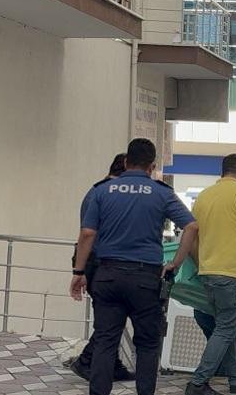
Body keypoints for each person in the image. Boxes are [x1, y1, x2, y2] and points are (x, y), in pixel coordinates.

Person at [70, 138, 199, 395]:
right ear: (152, 166)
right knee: (147, 345)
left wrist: (79, 272)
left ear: (126, 162)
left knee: (106, 342)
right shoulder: (162, 193)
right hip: (145, 279)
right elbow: (192, 226)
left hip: (107, 276)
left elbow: (87, 234)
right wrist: (174, 263)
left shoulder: (102, 191)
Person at [175, 154, 236, 395]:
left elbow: (193, 235)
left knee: (225, 326)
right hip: (233, 273)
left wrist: (201, 264)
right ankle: (198, 383)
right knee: (226, 329)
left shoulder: (204, 197)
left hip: (208, 273)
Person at [68, 153, 135, 382]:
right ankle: (86, 360)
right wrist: (82, 271)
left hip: (95, 263)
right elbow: (89, 234)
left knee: (111, 316)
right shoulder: (104, 193)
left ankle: (111, 363)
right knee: (111, 319)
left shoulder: (97, 192)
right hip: (99, 263)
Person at [192, 309, 236, 375]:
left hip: (201, 311)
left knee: (220, 345)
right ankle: (201, 378)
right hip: (220, 314)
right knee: (235, 347)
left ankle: (206, 376)